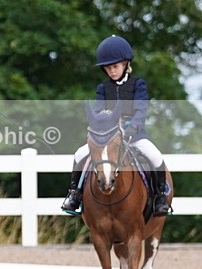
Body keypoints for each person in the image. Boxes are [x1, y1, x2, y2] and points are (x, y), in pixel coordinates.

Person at [62, 35, 170, 216]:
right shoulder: (103, 88)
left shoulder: (138, 84)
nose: (111, 71)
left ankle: (160, 197)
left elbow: (141, 110)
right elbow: (98, 112)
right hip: (108, 138)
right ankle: (75, 194)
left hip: (134, 135)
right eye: (108, 68)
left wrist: (133, 126)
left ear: (126, 64)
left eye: (115, 66)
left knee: (155, 156)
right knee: (79, 154)